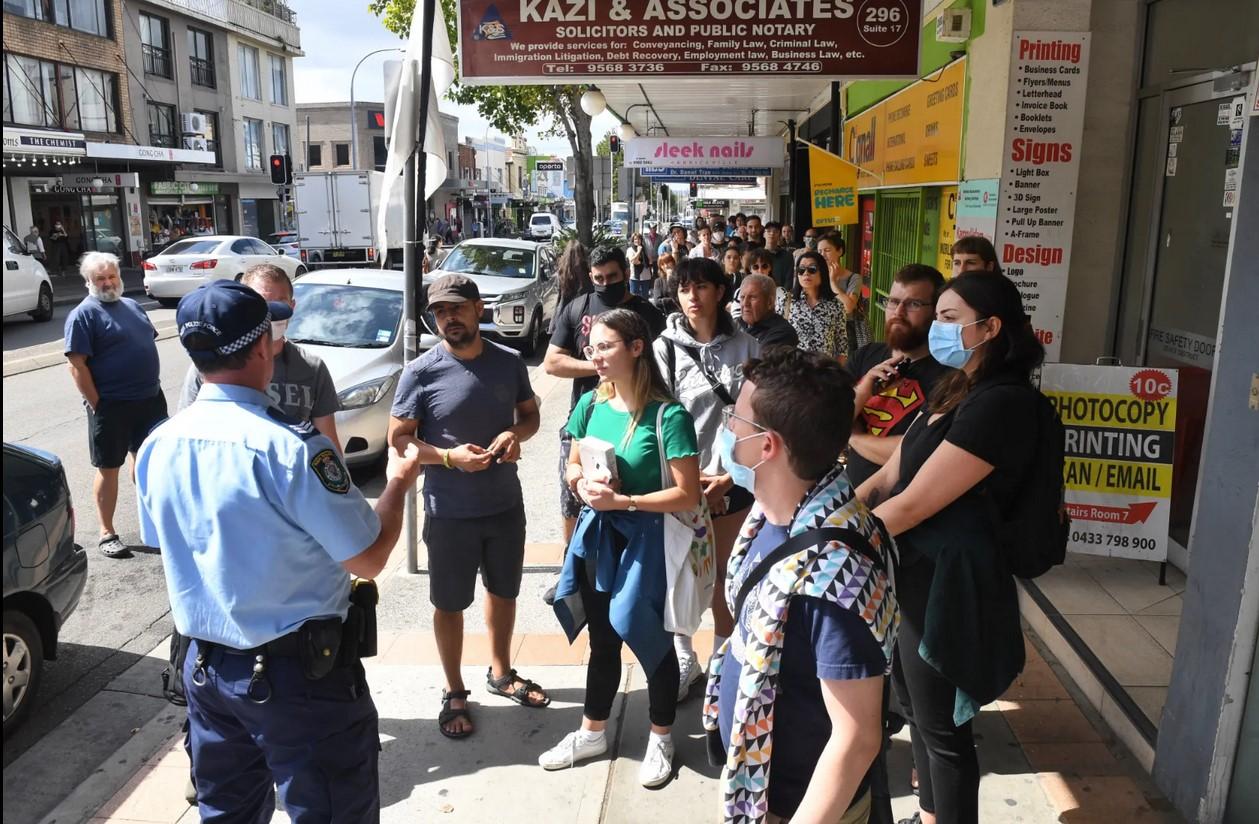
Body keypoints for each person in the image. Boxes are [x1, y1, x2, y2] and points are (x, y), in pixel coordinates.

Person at [136, 280, 422, 821]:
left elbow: (165, 541)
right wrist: (397, 486)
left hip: (205, 670)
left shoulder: (158, 445)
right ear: (263, 345)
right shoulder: (290, 448)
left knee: (227, 812)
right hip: (299, 679)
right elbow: (367, 558)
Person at [857, 271, 1043, 824]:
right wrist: (836, 511)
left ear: (989, 328)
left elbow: (914, 503)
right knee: (916, 709)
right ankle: (931, 815)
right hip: (913, 572)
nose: (935, 327)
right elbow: (893, 471)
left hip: (948, 582)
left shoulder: (1001, 404)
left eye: (948, 318)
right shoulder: (956, 386)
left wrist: (839, 540)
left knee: (943, 732)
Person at [706, 346, 899, 824]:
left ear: (767, 445)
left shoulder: (834, 579)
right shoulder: (772, 515)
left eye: (736, 420)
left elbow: (857, 739)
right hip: (761, 789)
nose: (729, 429)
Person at [540, 309, 702, 788]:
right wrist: (584, 483)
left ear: (636, 348)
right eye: (592, 347)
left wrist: (625, 499)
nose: (595, 355)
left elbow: (687, 493)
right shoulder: (591, 404)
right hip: (597, 537)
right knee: (603, 639)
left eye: (606, 346)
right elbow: (572, 462)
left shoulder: (667, 416)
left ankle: (662, 735)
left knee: (645, 632)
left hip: (647, 539)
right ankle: (593, 730)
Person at [388, 274, 546, 738]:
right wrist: (448, 458)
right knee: (450, 602)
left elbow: (530, 415)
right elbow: (399, 440)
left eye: (456, 308)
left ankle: (501, 673)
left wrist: (514, 436)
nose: (448, 318)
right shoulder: (421, 371)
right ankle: (454, 689)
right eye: (439, 312)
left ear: (479, 308)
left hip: (503, 504)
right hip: (449, 509)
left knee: (504, 591)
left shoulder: (509, 362)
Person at [654, 257, 761, 699]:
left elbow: (759, 418)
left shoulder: (750, 348)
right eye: (684, 288)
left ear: (721, 291)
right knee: (678, 571)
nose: (692, 297)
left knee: (724, 574)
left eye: (700, 287)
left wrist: (731, 477)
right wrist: (690, 478)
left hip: (733, 480)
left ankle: (721, 661)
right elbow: (657, 416)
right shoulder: (663, 347)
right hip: (681, 479)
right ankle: (685, 658)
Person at [545, 246, 667, 547]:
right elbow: (552, 362)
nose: (605, 283)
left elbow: (663, 365)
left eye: (612, 276)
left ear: (626, 273)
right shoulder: (577, 307)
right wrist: (602, 365)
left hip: (636, 419)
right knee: (573, 499)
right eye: (598, 277)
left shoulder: (647, 314)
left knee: (625, 496)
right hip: (585, 417)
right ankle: (571, 568)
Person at [64, 252, 166, 559]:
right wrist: (99, 405)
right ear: (88, 283)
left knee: (149, 462)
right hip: (112, 406)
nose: (108, 283)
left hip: (149, 399)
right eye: (100, 279)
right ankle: (107, 532)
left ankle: (155, 523)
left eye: (112, 277)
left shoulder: (133, 306)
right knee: (109, 468)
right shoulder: (83, 315)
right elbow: (77, 366)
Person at [179, 264, 342, 451]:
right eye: (262, 304)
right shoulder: (215, 368)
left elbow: (329, 446)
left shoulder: (312, 367)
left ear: (292, 306)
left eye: (280, 303)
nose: (271, 315)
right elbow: (189, 430)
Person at [847, 265, 952, 490]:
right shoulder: (866, 355)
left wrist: (852, 436)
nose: (898, 312)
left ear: (936, 313)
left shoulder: (948, 377)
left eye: (913, 304)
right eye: (893, 301)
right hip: (848, 499)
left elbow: (916, 455)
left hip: (899, 513)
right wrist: (864, 390)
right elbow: (825, 427)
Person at [778, 250, 848, 361]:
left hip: (823, 373)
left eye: (812, 269)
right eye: (801, 270)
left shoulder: (836, 306)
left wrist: (836, 373)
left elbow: (842, 346)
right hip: (793, 371)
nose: (806, 273)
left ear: (823, 272)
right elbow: (778, 340)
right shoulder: (786, 302)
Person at [819, 232, 870, 355]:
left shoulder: (854, 278)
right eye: (819, 251)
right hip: (822, 327)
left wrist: (832, 282)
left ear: (840, 251)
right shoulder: (815, 275)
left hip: (846, 329)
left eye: (827, 250)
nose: (822, 255)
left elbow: (848, 307)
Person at [736, 273, 799, 349]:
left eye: (752, 297)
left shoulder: (783, 333)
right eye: (742, 297)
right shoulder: (735, 325)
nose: (745, 303)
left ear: (769, 302)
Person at [555, 239, 592, 310]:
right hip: (583, 307)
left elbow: (559, 293)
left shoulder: (562, 271)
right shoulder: (586, 269)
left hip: (564, 308)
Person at [762, 221, 795, 289]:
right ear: (763, 234)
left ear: (780, 235)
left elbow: (789, 281)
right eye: (768, 231)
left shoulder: (787, 256)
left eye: (775, 231)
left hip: (781, 294)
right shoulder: (758, 255)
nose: (772, 233)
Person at [627, 232, 651, 297]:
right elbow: (633, 261)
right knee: (634, 296)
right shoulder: (630, 250)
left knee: (645, 297)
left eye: (639, 239)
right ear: (632, 241)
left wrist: (641, 261)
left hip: (646, 276)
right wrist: (638, 252)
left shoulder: (646, 249)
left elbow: (650, 261)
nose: (637, 241)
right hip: (635, 277)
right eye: (635, 239)